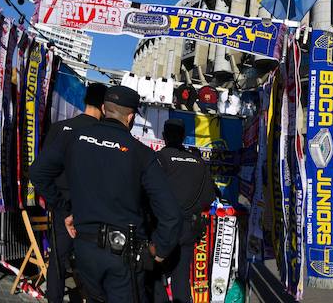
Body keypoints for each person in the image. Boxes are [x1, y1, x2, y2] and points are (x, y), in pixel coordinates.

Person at [31, 85, 183, 303]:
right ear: (130, 117)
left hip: (85, 250)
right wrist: (159, 249)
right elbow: (171, 214)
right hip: (123, 257)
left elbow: (38, 172)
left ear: (104, 108)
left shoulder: (74, 137)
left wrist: (65, 208)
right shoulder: (141, 153)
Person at [40, 82, 107, 303]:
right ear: (104, 106)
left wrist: (58, 205)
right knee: (91, 263)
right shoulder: (102, 135)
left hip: (62, 207)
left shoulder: (61, 127)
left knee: (58, 261)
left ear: (86, 100)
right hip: (89, 210)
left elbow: (41, 170)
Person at [152, 119, 216, 303]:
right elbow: (208, 198)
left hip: (162, 227)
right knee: (181, 278)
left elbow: (148, 193)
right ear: (183, 137)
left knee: (154, 275)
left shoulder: (158, 158)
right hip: (188, 228)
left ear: (164, 136)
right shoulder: (198, 162)